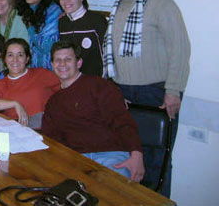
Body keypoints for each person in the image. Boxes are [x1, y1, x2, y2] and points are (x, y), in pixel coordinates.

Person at [102, 0, 190, 196]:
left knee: (156, 162)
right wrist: (114, 90)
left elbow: (180, 48)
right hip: (125, 94)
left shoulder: (159, 1)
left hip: (156, 95)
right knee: (128, 155)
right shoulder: (118, 6)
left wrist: (172, 91)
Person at [42, 41, 145, 182]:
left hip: (111, 156)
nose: (62, 64)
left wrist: (136, 154)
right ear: (52, 65)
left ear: (79, 63)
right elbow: (51, 139)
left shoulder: (99, 86)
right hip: (75, 160)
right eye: (58, 60)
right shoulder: (53, 103)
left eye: (68, 59)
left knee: (112, 195)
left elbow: (122, 120)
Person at [0, 38, 60, 128]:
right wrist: (14, 104)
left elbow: (65, 88)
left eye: (20, 55)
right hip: (18, 132)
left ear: (27, 59)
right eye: (10, 55)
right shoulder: (1, 84)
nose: (15, 60)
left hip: (47, 129)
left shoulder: (42, 74)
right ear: (4, 59)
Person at [58, 0, 108, 76]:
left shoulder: (97, 20)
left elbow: (107, 56)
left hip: (96, 83)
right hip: (72, 82)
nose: (66, 0)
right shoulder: (62, 23)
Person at [16, 0, 63, 70]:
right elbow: (5, 6)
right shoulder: (28, 8)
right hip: (33, 69)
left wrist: (30, 27)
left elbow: (46, 47)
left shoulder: (54, 11)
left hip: (52, 69)